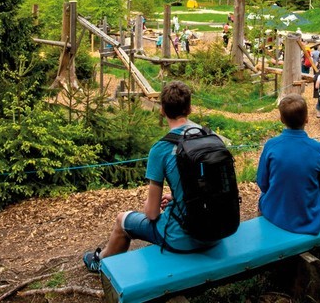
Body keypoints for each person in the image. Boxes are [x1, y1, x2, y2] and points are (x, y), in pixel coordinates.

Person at [83, 82, 221, 271]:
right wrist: (177, 197)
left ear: (162, 110)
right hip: (217, 231)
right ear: (189, 108)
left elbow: (152, 213)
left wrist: (153, 205)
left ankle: (100, 262)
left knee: (122, 219)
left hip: (183, 239)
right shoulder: (211, 137)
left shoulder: (161, 149)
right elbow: (214, 186)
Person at [256, 94, 320, 234]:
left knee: (264, 195)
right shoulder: (318, 148)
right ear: (307, 119)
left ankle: (265, 230)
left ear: (282, 119)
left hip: (274, 214)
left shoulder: (271, 146)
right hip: (309, 218)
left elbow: (262, 183)